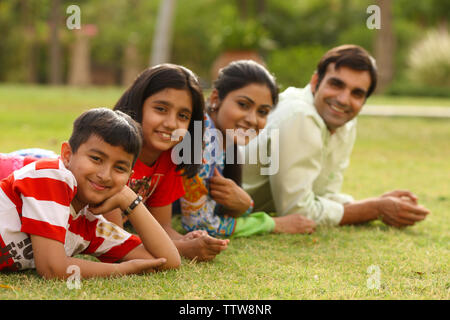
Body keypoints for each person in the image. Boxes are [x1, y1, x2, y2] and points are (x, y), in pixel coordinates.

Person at [242, 45, 430, 228]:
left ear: (364, 101)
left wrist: (377, 204)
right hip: (215, 209)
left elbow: (322, 195)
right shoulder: (299, 114)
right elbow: (296, 211)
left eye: (357, 93)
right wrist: (374, 209)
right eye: (336, 84)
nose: (343, 100)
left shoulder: (344, 123)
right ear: (315, 82)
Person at [0, 108, 180, 278]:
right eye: (96, 159)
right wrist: (119, 269)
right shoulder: (51, 176)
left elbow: (167, 261)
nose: (105, 175)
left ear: (128, 178)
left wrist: (129, 199)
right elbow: (51, 268)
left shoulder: (90, 225)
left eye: (119, 168)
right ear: (67, 155)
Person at [180, 60, 316, 238]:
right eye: (243, 105)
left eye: (263, 112)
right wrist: (272, 223)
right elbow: (200, 224)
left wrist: (243, 205)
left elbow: (212, 211)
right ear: (215, 99)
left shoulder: (223, 142)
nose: (252, 119)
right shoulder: (203, 139)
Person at [112, 63, 229, 261]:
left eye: (182, 116)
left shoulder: (168, 159)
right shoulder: (113, 153)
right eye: (160, 109)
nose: (171, 124)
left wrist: (186, 239)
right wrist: (183, 249)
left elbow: (162, 227)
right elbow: (114, 238)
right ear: (137, 104)